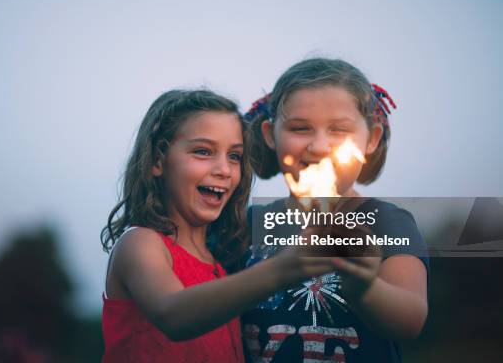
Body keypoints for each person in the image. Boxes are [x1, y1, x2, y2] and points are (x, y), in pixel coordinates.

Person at [101, 89, 338, 362]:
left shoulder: (221, 265)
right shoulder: (141, 243)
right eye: (203, 151)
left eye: (235, 156)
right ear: (157, 160)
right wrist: (281, 269)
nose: (224, 170)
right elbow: (173, 315)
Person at [243, 58, 429, 362]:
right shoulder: (249, 223)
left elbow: (410, 321)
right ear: (269, 134)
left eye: (339, 130)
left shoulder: (387, 222)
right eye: (300, 128)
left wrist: (363, 288)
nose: (319, 146)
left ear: (371, 139)